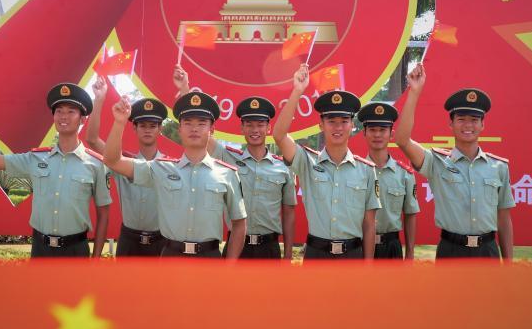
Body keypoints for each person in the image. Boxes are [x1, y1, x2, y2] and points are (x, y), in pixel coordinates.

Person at [0, 83, 111, 258]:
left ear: (82, 119)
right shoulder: (36, 158)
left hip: (76, 251)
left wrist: (96, 259)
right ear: (54, 117)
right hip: (41, 250)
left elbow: (103, 213)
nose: (64, 116)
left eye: (71, 111)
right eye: (59, 111)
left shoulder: (96, 164)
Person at [102, 91, 248, 259]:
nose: (194, 128)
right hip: (171, 257)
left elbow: (239, 223)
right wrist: (119, 122)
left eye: (201, 123)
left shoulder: (227, 173)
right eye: (188, 123)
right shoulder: (161, 169)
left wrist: (228, 267)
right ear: (179, 129)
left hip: (210, 258)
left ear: (212, 129)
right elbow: (112, 161)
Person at [172, 66, 296, 260]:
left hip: (269, 250)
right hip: (236, 247)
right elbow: (202, 133)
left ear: (268, 128)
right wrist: (185, 89)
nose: (255, 130)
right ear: (242, 128)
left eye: (260, 125)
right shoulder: (228, 157)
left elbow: (289, 212)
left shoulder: (284, 167)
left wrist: (288, 254)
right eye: (249, 125)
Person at [393, 62, 514, 260]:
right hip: (451, 251)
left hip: (488, 252)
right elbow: (402, 140)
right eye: (461, 119)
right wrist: (414, 92)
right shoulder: (437, 162)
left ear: (482, 124)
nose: (468, 125)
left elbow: (504, 218)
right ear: (451, 123)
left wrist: (508, 263)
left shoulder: (498, 167)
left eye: (474, 119)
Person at [271, 64, 380, 260]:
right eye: (331, 121)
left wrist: (368, 267)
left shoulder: (366, 170)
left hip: (353, 257)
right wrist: (297, 91)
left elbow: (369, 224)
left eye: (344, 121)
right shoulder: (307, 162)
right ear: (321, 125)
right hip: (316, 255)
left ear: (352, 125)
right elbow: (279, 135)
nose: (338, 127)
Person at [85, 75, 168, 257]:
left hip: (161, 242)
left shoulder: (169, 167)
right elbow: (91, 139)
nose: (147, 129)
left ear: (160, 129)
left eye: (153, 125)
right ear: (134, 128)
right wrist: (99, 99)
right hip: (129, 243)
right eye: (142, 125)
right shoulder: (121, 161)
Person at [356, 102, 420, 259]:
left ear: (391, 134)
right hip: (359, 246)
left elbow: (410, 214)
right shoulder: (355, 171)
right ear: (364, 132)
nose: (377, 135)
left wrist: (410, 253)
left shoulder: (404, 174)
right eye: (372, 130)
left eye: (383, 130)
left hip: (391, 248)